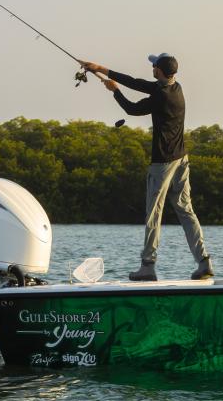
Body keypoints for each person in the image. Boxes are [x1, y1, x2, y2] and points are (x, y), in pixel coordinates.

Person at [79, 53, 213, 282]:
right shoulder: (175, 88)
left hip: (162, 163)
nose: (151, 66)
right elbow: (137, 83)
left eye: (154, 65)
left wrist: (115, 91)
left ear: (159, 71)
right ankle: (204, 262)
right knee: (186, 210)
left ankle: (148, 266)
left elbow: (131, 109)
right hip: (181, 160)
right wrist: (100, 68)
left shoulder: (161, 97)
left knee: (154, 213)